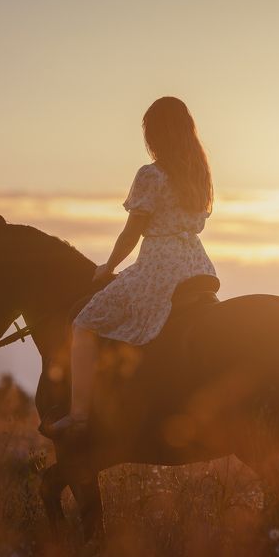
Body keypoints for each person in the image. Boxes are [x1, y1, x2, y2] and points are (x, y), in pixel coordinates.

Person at [44, 96, 217, 439]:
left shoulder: (151, 175)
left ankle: (78, 418)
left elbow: (131, 235)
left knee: (83, 324)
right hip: (198, 267)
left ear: (155, 134)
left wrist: (108, 266)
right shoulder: (200, 176)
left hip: (158, 268)